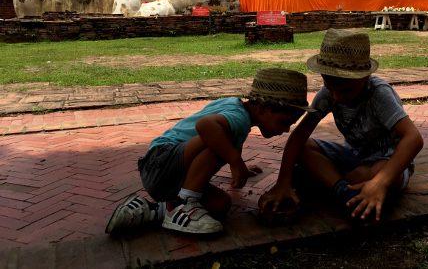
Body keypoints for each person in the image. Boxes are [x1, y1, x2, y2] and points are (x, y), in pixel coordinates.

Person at [105, 68, 313, 235]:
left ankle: (154, 211)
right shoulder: (239, 119)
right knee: (219, 138)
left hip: (169, 174)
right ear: (262, 108)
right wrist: (235, 162)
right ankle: (184, 203)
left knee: (221, 204)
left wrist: (239, 165)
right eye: (284, 122)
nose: (285, 130)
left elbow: (226, 142)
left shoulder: (237, 109)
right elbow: (205, 126)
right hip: (160, 161)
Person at [258, 29, 424, 223]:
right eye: (330, 89)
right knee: (302, 149)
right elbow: (299, 136)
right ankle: (343, 191)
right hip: (353, 158)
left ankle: (332, 180)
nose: (336, 97)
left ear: (365, 78)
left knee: (373, 176)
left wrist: (380, 183)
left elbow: (413, 139)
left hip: (386, 164)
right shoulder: (329, 93)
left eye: (345, 91)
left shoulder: (378, 94)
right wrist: (283, 182)